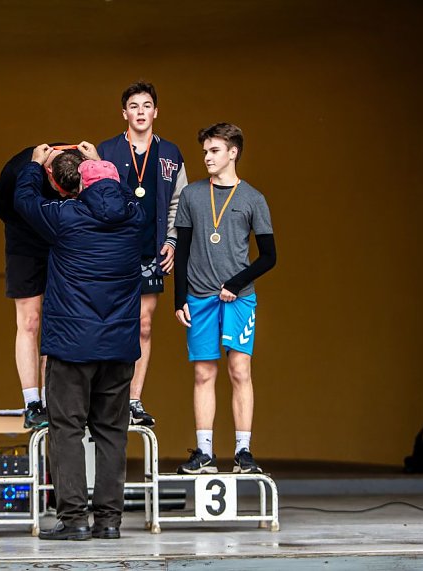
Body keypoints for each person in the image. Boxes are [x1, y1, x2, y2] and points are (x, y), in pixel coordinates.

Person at [14, 146, 143, 540]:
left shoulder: (66, 217)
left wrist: (36, 164)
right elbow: (128, 189)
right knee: (111, 433)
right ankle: (109, 522)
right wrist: (99, 157)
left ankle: (74, 521)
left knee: (66, 429)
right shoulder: (136, 218)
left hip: (72, 347)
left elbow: (25, 201)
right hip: (119, 348)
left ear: (80, 187)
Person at [173, 123, 276, 475]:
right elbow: (182, 250)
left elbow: (269, 256)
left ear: (233, 152)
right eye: (205, 151)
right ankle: (204, 454)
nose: (207, 157)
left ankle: (243, 453)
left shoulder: (253, 198)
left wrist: (236, 282)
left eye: (214, 151)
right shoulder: (191, 196)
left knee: (239, 371)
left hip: (239, 299)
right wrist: (178, 300)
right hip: (199, 297)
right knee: (203, 374)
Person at [98, 81, 188, 427]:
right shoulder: (106, 151)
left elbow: (179, 203)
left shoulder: (170, 154)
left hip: (152, 249)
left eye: (146, 105)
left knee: (144, 325)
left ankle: (134, 400)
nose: (140, 111)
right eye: (133, 106)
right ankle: (107, 397)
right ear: (124, 113)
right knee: (109, 321)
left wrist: (172, 241)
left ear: (155, 112)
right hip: (114, 251)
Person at [0, 143, 81, 429]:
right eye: (61, 190)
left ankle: (51, 399)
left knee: (56, 322)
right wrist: (31, 222)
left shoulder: (80, 160)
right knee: (29, 321)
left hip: (61, 243)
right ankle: (31, 403)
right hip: (25, 244)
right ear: (49, 171)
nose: (65, 196)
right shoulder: (20, 166)